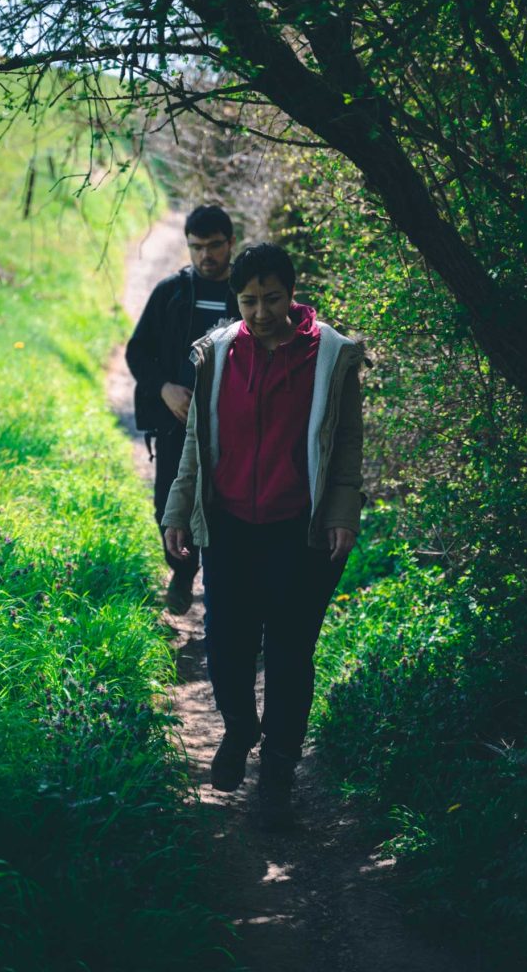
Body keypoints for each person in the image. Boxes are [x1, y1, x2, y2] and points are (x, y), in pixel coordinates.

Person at [162, 242, 364, 830]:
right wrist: (179, 510)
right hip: (228, 528)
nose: (259, 312)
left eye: (271, 298)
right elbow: (198, 442)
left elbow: (346, 443)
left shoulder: (329, 354)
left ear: (291, 293)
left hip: (297, 530)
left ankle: (278, 771)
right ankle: (239, 729)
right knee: (225, 642)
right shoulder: (220, 352)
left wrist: (342, 514)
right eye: (248, 300)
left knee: (289, 650)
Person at [126, 205, 239, 615]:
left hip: (234, 427)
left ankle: (226, 596)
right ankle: (182, 572)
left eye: (213, 246)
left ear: (230, 243)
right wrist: (163, 389)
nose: (205, 255)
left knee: (228, 507)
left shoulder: (247, 294)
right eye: (196, 247)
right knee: (169, 504)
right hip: (176, 425)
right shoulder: (171, 293)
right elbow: (138, 352)